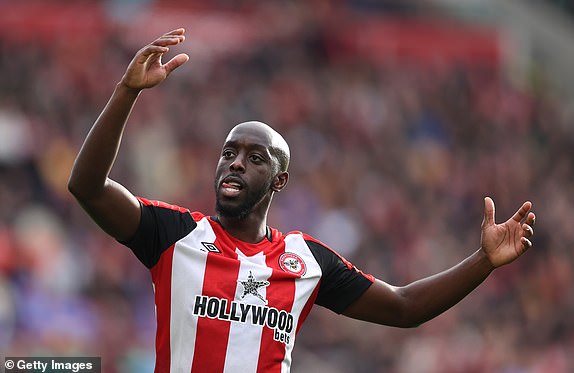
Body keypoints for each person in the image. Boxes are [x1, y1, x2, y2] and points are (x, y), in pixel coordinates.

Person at [68, 28, 536, 373]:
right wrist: (127, 92)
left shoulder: (306, 260)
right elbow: (87, 187)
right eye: (228, 152)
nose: (235, 163)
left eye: (254, 157)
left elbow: (404, 308)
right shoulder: (175, 234)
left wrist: (483, 261)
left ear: (280, 181)